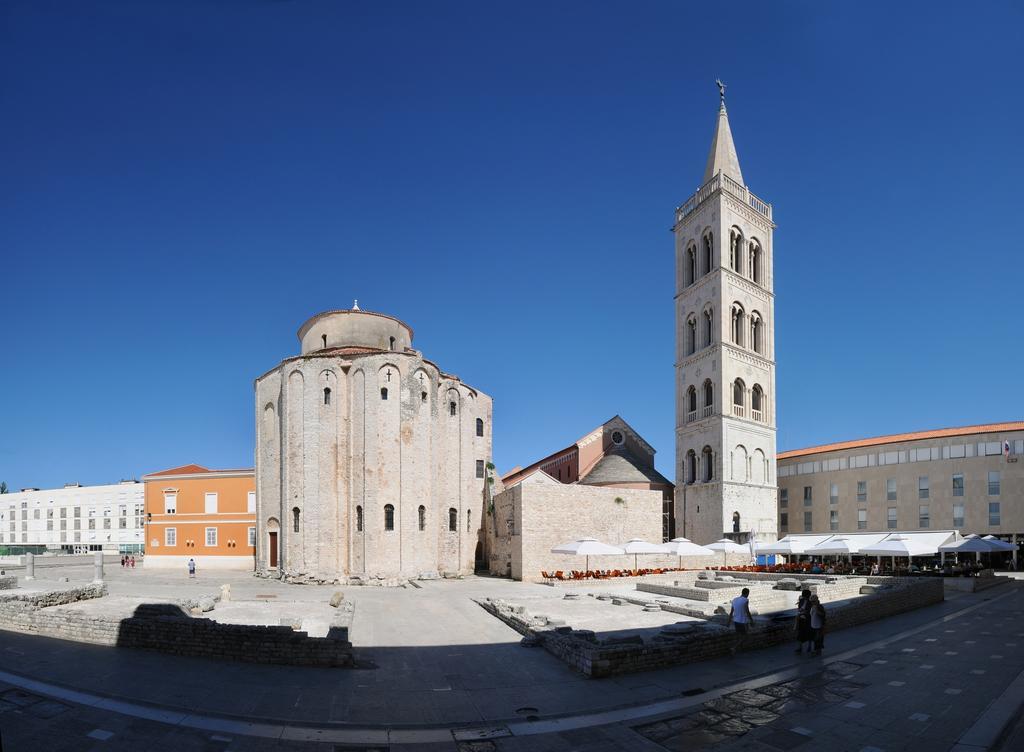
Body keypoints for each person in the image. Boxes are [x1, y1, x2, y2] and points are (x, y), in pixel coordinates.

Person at [728, 587, 754, 655]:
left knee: (739, 635)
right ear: (747, 593)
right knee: (745, 636)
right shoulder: (745, 600)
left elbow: (731, 612)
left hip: (735, 620)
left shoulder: (734, 600)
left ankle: (741, 648)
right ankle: (734, 647)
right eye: (748, 594)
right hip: (743, 621)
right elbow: (747, 611)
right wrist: (751, 620)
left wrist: (728, 622)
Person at [794, 589, 813, 654]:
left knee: (809, 633)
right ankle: (800, 647)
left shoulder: (811, 603)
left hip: (808, 620)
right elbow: (799, 609)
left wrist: (804, 612)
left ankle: (809, 646)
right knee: (800, 634)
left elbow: (810, 611)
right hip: (801, 619)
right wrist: (801, 611)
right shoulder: (801, 601)